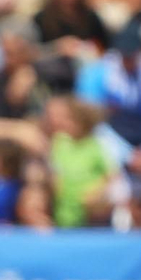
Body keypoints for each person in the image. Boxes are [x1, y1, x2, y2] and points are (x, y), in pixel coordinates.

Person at [74, 24, 141, 167]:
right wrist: (125, 155)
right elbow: (91, 121)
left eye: (133, 54)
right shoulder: (94, 75)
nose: (129, 59)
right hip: (107, 150)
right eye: (125, 54)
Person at [32, 0, 107, 91]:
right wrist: (57, 48)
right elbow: (31, 52)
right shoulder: (42, 18)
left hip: (83, 69)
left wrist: (83, 48)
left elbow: (104, 49)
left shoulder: (91, 17)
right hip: (51, 70)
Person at [47, 95, 114, 228]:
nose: (65, 123)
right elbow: (53, 166)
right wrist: (54, 181)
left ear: (84, 122)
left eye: (70, 119)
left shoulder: (95, 146)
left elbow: (111, 175)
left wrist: (96, 192)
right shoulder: (60, 141)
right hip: (64, 204)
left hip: (89, 210)